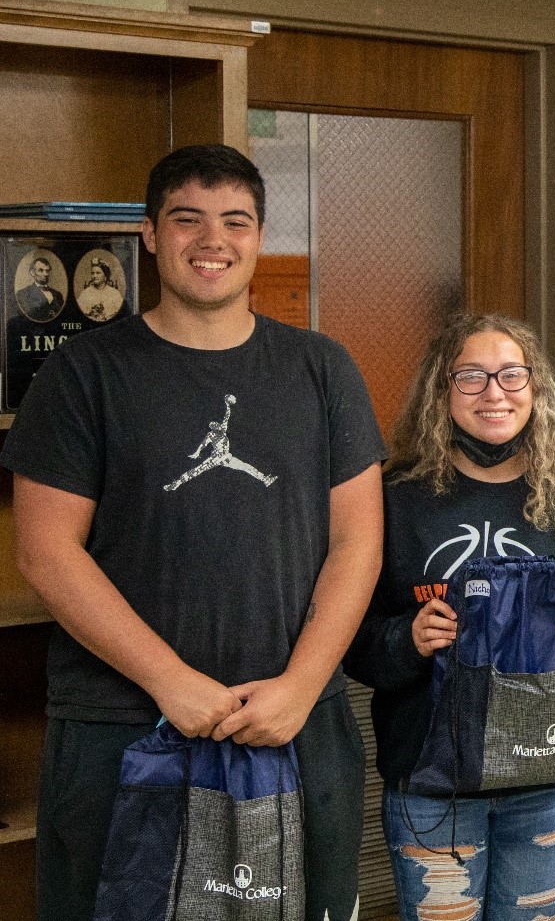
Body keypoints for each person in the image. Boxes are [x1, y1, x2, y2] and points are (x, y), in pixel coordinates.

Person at [4, 144, 386, 921]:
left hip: (291, 724)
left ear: (258, 236)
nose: (212, 239)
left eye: (235, 221)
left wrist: (303, 687)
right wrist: (169, 680)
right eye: (188, 219)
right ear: (149, 233)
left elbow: (358, 544)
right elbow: (45, 551)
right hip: (123, 728)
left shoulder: (322, 368)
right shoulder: (83, 372)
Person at [345, 311, 555, 921]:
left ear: (536, 389)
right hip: (432, 786)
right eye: (471, 377)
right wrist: (409, 637)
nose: (494, 393)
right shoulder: (397, 497)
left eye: (511, 375)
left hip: (547, 781)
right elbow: (352, 638)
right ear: (440, 391)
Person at [17, 253, 65, 322]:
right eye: (41, 270)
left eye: (47, 271)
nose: (45, 274)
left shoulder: (58, 295)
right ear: (32, 272)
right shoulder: (23, 294)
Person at [75, 257, 125, 322]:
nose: (94, 276)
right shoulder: (85, 293)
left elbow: (120, 315)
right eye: (92, 273)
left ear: (105, 276)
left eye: (98, 273)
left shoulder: (114, 293)